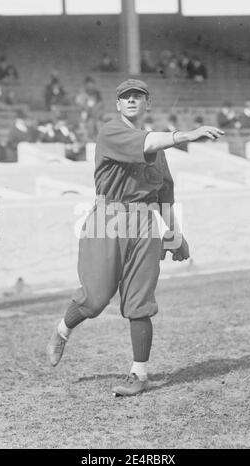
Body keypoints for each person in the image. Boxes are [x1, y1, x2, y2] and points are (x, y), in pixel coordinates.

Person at [46, 78, 224, 397]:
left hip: (143, 221)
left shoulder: (158, 147)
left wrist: (174, 233)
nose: (131, 100)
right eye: (125, 97)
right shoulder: (111, 131)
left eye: (137, 96)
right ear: (117, 105)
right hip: (108, 218)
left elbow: (164, 193)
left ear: (147, 104)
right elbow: (147, 144)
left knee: (140, 300)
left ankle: (138, 373)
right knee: (96, 298)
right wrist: (186, 135)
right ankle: (62, 329)